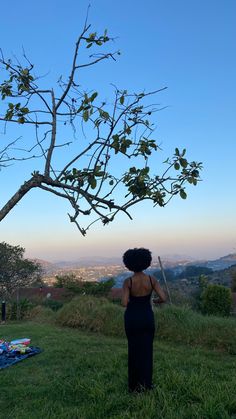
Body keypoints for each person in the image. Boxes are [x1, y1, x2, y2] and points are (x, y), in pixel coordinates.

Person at [121, 248, 166, 393]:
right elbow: (163, 298)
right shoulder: (152, 280)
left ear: (129, 264)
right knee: (147, 350)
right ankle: (147, 384)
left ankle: (133, 387)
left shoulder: (128, 281)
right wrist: (154, 300)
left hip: (132, 318)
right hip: (147, 317)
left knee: (133, 350)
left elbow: (124, 303)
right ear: (146, 262)